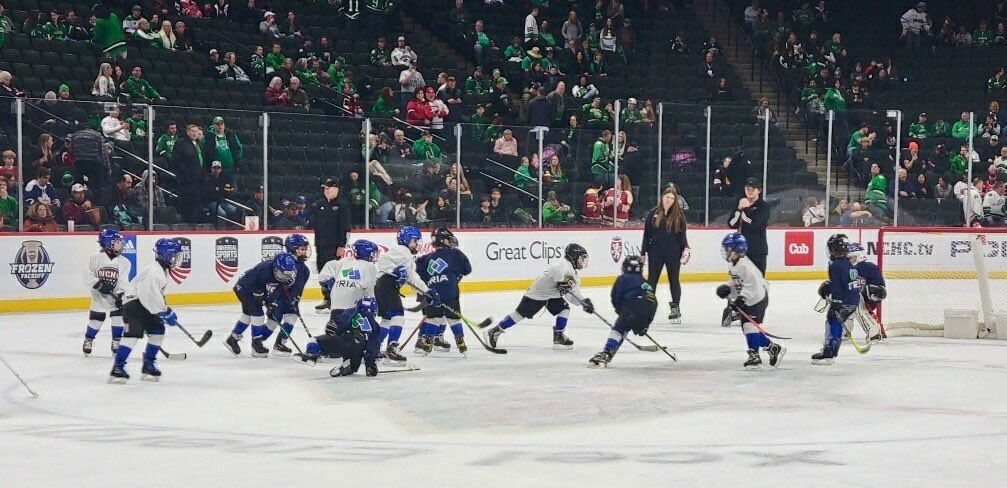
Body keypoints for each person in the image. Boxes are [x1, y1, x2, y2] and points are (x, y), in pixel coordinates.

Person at [483, 244, 591, 350]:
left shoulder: (575, 274)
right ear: (574, 257)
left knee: (564, 309)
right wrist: (561, 281)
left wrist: (583, 302)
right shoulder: (562, 265)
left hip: (552, 296)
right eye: (582, 258)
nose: (583, 262)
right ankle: (495, 330)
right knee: (519, 315)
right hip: (537, 294)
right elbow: (557, 272)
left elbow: (571, 295)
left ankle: (558, 336)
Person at [109, 239, 183, 383]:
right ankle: (117, 368)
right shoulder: (155, 272)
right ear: (166, 256)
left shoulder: (162, 270)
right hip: (134, 305)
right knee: (132, 336)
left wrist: (163, 310)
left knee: (158, 332)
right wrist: (164, 311)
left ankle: (148, 365)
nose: (177, 259)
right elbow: (148, 295)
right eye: (175, 255)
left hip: (146, 305)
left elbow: (154, 296)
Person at [716, 232, 785, 368]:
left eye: (728, 249)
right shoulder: (734, 265)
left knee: (749, 326)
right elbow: (735, 283)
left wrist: (742, 298)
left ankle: (754, 355)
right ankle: (772, 347)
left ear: (736, 250)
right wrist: (727, 289)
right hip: (749, 300)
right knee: (748, 328)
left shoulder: (746, 266)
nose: (726, 251)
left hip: (757, 300)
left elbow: (752, 286)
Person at [374, 226, 439, 363]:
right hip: (387, 285)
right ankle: (392, 349)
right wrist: (394, 270)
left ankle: (372, 348)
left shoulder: (407, 255)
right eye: (415, 241)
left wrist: (427, 291)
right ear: (406, 240)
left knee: (387, 320)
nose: (417, 244)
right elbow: (383, 260)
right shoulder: (401, 250)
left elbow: (412, 278)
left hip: (384, 287)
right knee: (398, 317)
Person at [222, 252, 298, 356]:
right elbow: (250, 282)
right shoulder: (264, 269)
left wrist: (272, 303)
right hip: (244, 288)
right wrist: (258, 293)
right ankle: (256, 345)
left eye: (286, 275)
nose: (283, 277)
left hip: (251, 288)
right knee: (258, 314)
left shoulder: (279, 274)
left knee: (247, 315)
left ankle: (232, 339)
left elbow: (276, 290)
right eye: (281, 274)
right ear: (275, 267)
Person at [587, 255, 657, 368]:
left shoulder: (622, 278)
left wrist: (623, 315)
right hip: (650, 306)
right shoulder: (645, 282)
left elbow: (616, 299)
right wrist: (644, 325)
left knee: (619, 328)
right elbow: (652, 302)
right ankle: (609, 353)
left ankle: (606, 353)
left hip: (633, 304)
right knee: (626, 325)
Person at [415, 228, 471, 355]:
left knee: (433, 319)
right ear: (443, 240)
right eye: (449, 239)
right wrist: (454, 275)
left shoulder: (425, 259)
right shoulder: (455, 253)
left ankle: (428, 342)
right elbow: (467, 269)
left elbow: (419, 277)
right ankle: (460, 342)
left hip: (432, 294)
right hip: (450, 292)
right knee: (454, 319)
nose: (451, 242)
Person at [298, 297, 383, 377]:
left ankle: (312, 354)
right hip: (358, 350)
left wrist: (332, 328)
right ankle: (351, 365)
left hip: (344, 342)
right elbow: (373, 346)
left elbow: (337, 325)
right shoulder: (375, 326)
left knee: (313, 340)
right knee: (357, 352)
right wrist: (370, 364)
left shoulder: (351, 311)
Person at [642, 186, 690, 323]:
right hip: (655, 252)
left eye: (672, 198)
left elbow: (682, 236)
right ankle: (647, 307)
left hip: (673, 253)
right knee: (652, 280)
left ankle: (676, 307)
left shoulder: (679, 216)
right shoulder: (653, 214)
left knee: (673, 280)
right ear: (662, 197)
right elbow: (647, 234)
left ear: (675, 200)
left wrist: (686, 249)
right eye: (667, 197)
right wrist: (643, 252)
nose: (669, 200)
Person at [812, 234, 861, 365]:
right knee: (836, 322)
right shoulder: (846, 262)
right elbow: (843, 282)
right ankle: (831, 350)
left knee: (832, 321)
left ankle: (829, 353)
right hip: (853, 300)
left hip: (843, 301)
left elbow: (839, 286)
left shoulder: (836, 265)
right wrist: (829, 286)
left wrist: (836, 303)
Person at [82, 229, 132, 356]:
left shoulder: (125, 262)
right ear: (107, 243)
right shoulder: (95, 258)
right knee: (97, 319)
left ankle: (116, 341)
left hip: (114, 295)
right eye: (117, 242)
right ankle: (88, 339)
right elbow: (88, 275)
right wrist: (98, 284)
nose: (121, 244)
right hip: (98, 295)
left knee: (118, 317)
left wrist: (121, 294)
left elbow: (123, 280)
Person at [262, 235, 312, 356]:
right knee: (273, 322)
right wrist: (269, 299)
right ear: (292, 249)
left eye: (305, 249)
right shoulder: (284, 263)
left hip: (290, 299)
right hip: (278, 298)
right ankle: (257, 341)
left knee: (291, 318)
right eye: (301, 249)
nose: (304, 252)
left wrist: (296, 298)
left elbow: (299, 287)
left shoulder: (305, 270)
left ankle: (280, 344)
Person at [315, 239, 379, 315]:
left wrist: (334, 290)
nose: (374, 256)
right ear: (366, 253)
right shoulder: (370, 267)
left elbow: (323, 278)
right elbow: (370, 291)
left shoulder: (343, 261)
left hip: (335, 308)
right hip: (354, 309)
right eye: (373, 254)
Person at [307, 178, 351, 273]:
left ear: (336, 188)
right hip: (320, 244)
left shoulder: (342, 205)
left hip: (334, 246)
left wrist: (341, 245)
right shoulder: (319, 205)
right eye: (324, 189)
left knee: (332, 271)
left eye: (328, 188)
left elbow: (345, 227)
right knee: (321, 270)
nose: (325, 191)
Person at [729, 177, 769, 274]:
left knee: (758, 283)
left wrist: (746, 210)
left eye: (753, 189)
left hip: (757, 251)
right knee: (739, 282)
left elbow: (755, 225)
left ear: (759, 191)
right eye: (748, 189)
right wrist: (739, 209)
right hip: (741, 251)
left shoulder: (763, 207)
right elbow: (731, 224)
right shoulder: (740, 203)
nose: (750, 191)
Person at [848, 242, 886, 341]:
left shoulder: (869, 267)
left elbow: (880, 291)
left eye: (851, 258)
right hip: (858, 299)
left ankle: (874, 331)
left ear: (859, 256)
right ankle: (844, 330)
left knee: (853, 301)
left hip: (869, 299)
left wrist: (872, 292)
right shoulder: (849, 269)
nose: (849, 261)